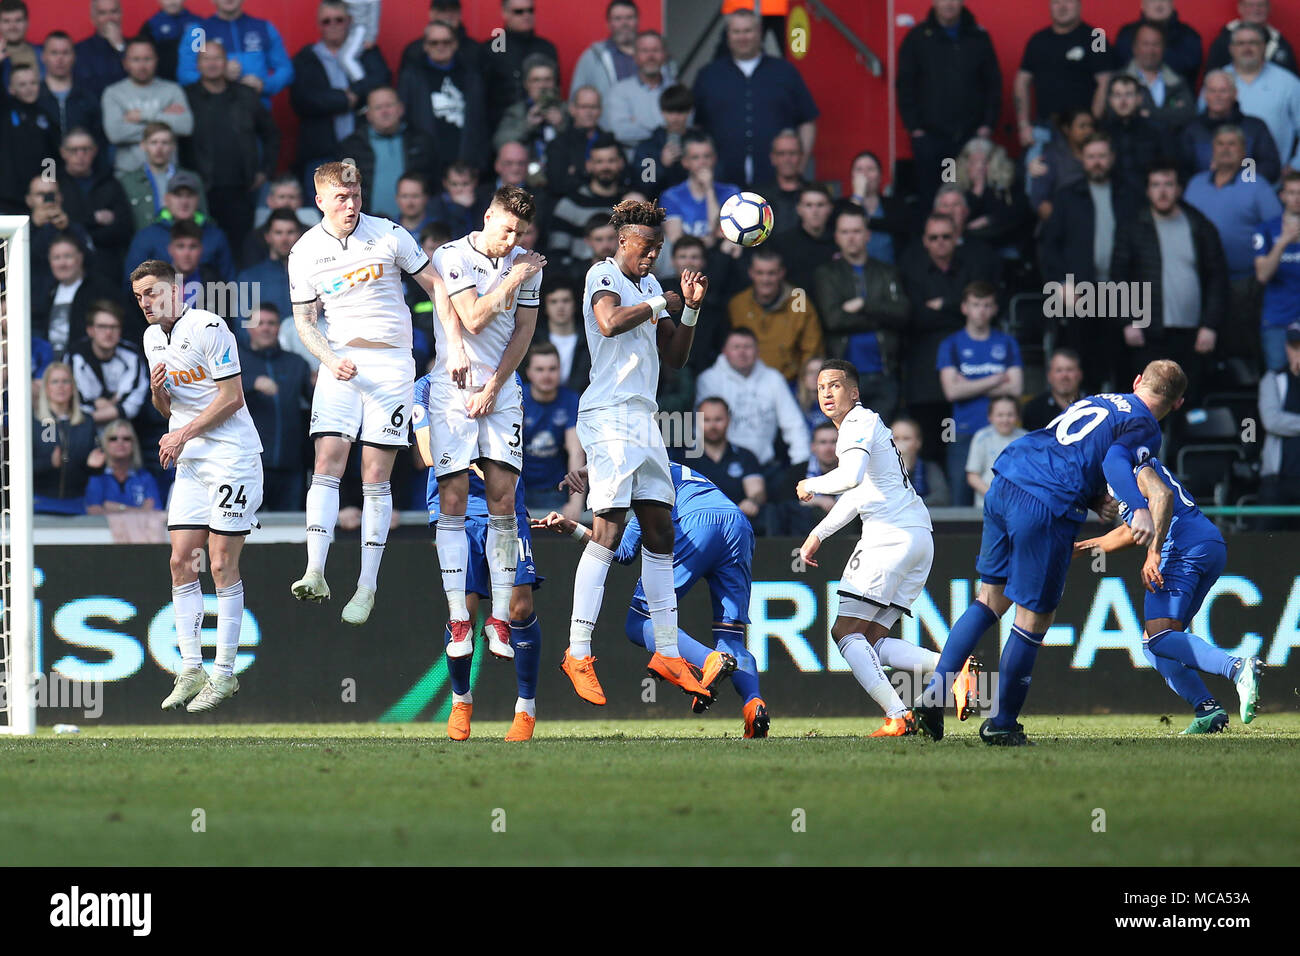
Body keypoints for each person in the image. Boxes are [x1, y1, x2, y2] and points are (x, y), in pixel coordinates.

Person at [915, 360, 1188, 746]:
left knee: (990, 598)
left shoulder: (1101, 400)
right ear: (1177, 404)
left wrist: (1094, 497)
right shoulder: (1146, 424)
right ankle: (1002, 723)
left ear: (1138, 380)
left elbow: (1066, 446)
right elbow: (1114, 461)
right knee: (1034, 616)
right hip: (1045, 504)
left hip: (1007, 481)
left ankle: (933, 695)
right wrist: (1137, 506)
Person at [561, 198, 712, 705]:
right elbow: (607, 322)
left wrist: (687, 307)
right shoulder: (602, 275)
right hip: (607, 415)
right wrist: (660, 303)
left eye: (658, 249)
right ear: (623, 241)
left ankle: (668, 650)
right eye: (645, 248)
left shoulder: (649, 287)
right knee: (607, 526)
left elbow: (675, 357)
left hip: (644, 418)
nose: (651, 257)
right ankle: (578, 650)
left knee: (660, 529)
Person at [287, 161, 450, 625]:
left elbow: (434, 285)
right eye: (341, 198)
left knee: (375, 474)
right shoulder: (303, 252)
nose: (351, 205)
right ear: (320, 200)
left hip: (392, 363)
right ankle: (315, 569)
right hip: (340, 362)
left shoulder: (389, 234)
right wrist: (328, 358)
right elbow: (304, 320)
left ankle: (367, 586)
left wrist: (448, 346)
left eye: (356, 195)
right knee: (326, 462)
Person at [796, 359, 968, 736]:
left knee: (843, 633)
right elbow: (860, 493)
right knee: (872, 640)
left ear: (853, 392)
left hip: (889, 536)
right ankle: (953, 666)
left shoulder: (856, 423)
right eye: (821, 386)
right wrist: (819, 535)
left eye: (836, 385)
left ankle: (898, 714)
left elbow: (849, 478)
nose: (826, 392)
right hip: (918, 536)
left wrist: (812, 484)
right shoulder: (868, 426)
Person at [536, 460, 769, 737]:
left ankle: (711, 661)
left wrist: (585, 478)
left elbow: (618, 550)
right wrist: (575, 523)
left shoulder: (643, 487)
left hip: (694, 521)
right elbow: (623, 549)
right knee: (731, 636)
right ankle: (754, 704)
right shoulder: (660, 464)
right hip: (736, 522)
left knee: (639, 622)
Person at [133, 257, 264, 714]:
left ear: (176, 289)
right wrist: (158, 394)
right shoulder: (153, 338)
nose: (145, 303)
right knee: (180, 561)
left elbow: (232, 397)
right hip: (192, 460)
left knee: (221, 561)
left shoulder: (209, 327)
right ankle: (191, 667)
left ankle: (224, 674)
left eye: (151, 292)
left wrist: (180, 434)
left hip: (232, 457)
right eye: (138, 297)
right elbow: (166, 409)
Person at [427, 186, 545, 660]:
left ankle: (497, 620)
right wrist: (516, 275)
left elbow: (525, 330)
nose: (510, 238)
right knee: (453, 499)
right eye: (505, 228)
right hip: (452, 388)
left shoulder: (525, 263)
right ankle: (460, 620)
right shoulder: (453, 255)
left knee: (503, 499)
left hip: (500, 389)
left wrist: (496, 386)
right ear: (488, 216)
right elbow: (473, 318)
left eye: (518, 233)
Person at [1075, 458, 1262, 733]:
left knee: (1159, 636)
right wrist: (1082, 547)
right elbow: (1131, 530)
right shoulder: (1122, 468)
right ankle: (1207, 710)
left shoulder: (1127, 463)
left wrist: (1154, 552)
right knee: (1154, 643)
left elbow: (1164, 496)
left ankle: (1237, 669)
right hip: (1207, 544)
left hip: (1182, 548)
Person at [414, 371, 544, 742]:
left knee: (519, 608)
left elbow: (509, 446)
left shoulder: (508, 378)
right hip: (458, 512)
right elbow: (427, 453)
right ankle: (461, 700)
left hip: (505, 507)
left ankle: (526, 708)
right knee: (465, 615)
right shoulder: (426, 387)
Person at [1111, 162, 1229, 406]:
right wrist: (1127, 322)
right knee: (1146, 402)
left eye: (1168, 184)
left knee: (1188, 401)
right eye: (1156, 185)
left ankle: (1180, 445)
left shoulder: (1199, 225)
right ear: (1147, 190)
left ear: (1179, 189)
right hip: (1147, 332)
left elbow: (1218, 277)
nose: (1162, 191)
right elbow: (1118, 277)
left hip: (1192, 333)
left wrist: (1210, 325)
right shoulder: (1132, 227)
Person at [1037, 132, 1128, 391]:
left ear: (1111, 158)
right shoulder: (1066, 196)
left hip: (1123, 291)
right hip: (1079, 290)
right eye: (1091, 157)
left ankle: (1121, 426)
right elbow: (1049, 247)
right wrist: (1060, 284)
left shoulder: (1129, 194)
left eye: (1101, 156)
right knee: (1083, 363)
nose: (1097, 162)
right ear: (1082, 160)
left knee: (1121, 362)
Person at [1184, 125, 1282, 362]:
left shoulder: (1258, 185)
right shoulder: (1195, 184)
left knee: (1243, 342)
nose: (1225, 149)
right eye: (1220, 143)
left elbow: (1276, 229)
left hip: (1245, 282)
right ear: (1212, 150)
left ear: (1244, 151)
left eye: (1232, 144)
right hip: (1200, 282)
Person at [691, 8, 817, 187]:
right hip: (721, 180)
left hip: (776, 182)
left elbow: (807, 120)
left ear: (759, 32)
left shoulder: (785, 72)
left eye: (748, 31)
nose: (742, 37)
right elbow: (696, 126)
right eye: (737, 31)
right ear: (728, 35)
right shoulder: (708, 75)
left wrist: (800, 165)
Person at [898, 212, 989, 456]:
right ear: (925, 241)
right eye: (933, 237)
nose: (940, 242)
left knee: (969, 450)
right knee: (929, 447)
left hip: (967, 371)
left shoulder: (972, 267)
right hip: (924, 376)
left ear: (956, 237)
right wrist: (957, 308)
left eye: (946, 237)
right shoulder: (911, 270)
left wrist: (942, 305)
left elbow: (982, 310)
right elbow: (913, 317)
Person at [895, 0, 1001, 209]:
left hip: (970, 139)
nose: (949, 4)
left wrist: (987, 125)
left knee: (969, 197)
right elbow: (905, 85)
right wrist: (915, 128)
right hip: (933, 139)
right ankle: (935, 240)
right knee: (937, 198)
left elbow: (993, 85)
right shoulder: (917, 38)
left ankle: (966, 241)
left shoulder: (978, 38)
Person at [183, 38, 280, 253]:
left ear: (227, 62)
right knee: (203, 248)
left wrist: (265, 171)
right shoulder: (186, 97)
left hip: (242, 189)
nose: (212, 63)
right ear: (198, 64)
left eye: (217, 58)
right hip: (201, 190)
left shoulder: (246, 95)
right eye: (205, 59)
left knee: (241, 248)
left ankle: (237, 288)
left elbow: (271, 134)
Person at [815, 205, 909, 421]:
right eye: (845, 232)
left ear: (868, 235)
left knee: (881, 444)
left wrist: (863, 305)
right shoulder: (826, 273)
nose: (851, 238)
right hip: (843, 379)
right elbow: (834, 320)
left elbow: (902, 314)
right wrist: (881, 316)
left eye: (857, 231)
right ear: (836, 237)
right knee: (851, 445)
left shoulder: (888, 271)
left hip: (885, 372)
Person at [937, 281, 1023, 508]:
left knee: (1003, 498)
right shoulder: (951, 344)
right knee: (960, 499)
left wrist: (970, 384)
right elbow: (951, 391)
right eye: (976, 305)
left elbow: (1015, 388)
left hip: (1002, 432)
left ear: (994, 309)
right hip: (962, 431)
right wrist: (996, 378)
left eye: (987, 305)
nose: (981, 311)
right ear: (965, 307)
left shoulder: (1006, 342)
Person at [289, 0, 390, 190]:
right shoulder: (306, 58)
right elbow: (303, 100)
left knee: (357, 210)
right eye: (327, 21)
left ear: (349, 21)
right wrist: (343, 100)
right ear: (319, 25)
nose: (333, 25)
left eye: (339, 20)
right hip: (321, 153)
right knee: (323, 212)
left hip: (359, 152)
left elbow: (382, 80)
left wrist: (354, 93)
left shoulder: (366, 52)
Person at [1014, 0, 1115, 170]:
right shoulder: (1038, 40)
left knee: (1079, 181)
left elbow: (1105, 81)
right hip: (1044, 128)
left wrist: (1093, 124)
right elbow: (1021, 81)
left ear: (1079, 5)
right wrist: (1023, 125)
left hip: (1081, 131)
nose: (1062, 7)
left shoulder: (1096, 37)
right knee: (1036, 179)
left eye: (1068, 2)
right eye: (1056, 2)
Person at [696, 326, 810, 471]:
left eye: (748, 347)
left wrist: (800, 465)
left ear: (757, 351)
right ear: (725, 351)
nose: (742, 352)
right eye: (736, 347)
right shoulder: (709, 379)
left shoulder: (773, 378)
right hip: (721, 466)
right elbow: (700, 425)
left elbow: (793, 424)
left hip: (765, 467)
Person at [395, 18, 488, 184]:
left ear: (455, 44)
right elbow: (404, 118)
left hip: (466, 164)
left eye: (446, 41)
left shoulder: (471, 74)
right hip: (426, 166)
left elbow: (481, 119)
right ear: (425, 46)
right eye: (434, 42)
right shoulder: (412, 76)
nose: (440, 46)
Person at [239, 304, 312, 511]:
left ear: (279, 328)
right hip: (249, 466)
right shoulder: (236, 361)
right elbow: (214, 390)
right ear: (248, 328)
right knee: (245, 530)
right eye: (259, 323)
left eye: (271, 323)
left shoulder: (296, 363)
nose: (266, 328)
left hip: (291, 466)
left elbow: (315, 400)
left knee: (290, 533)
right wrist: (251, 383)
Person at [336, 87, 437, 219]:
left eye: (389, 105)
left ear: (401, 109)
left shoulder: (422, 141)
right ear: (368, 114)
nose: (384, 112)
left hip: (418, 226)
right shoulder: (352, 146)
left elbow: (435, 184)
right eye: (378, 107)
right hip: (367, 226)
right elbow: (345, 188)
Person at [727, 247, 822, 382]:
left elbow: (812, 350)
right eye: (760, 273)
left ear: (781, 273)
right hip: (743, 380)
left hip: (790, 382)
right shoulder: (737, 304)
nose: (765, 279)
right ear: (751, 273)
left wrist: (804, 384)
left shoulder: (799, 300)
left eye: (771, 273)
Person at [176, 0, 294, 108]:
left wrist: (265, 85)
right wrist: (217, 75)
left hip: (257, 112)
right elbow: (185, 74)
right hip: (213, 112)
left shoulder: (264, 28)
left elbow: (286, 69)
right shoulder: (198, 32)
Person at [122, 171, 236, 283]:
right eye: (178, 195)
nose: (184, 201)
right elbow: (132, 284)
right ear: (166, 199)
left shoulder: (215, 236)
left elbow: (230, 282)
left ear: (198, 199)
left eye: (189, 195)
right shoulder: (146, 237)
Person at [101, 35, 193, 174]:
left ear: (156, 60)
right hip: (128, 174)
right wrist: (164, 124)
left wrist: (143, 115)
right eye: (136, 60)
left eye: (147, 59)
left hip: (169, 173)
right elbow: (115, 134)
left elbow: (185, 126)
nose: (142, 66)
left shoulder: (172, 90)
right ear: (125, 63)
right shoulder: (113, 93)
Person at [1218, 22, 1300, 175]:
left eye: (1253, 43)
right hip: (1224, 181)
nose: (1247, 48)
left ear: (1264, 47)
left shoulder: (1288, 83)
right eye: (1241, 43)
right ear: (1231, 48)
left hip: (1274, 180)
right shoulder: (1217, 80)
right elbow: (1202, 125)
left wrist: (1296, 166)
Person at [55, 129, 133, 282]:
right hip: (64, 267)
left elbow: (124, 227)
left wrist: (83, 231)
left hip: (106, 267)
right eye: (73, 150)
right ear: (63, 153)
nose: (80, 155)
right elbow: (56, 225)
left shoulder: (110, 183)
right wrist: (94, 219)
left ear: (95, 151)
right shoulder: (55, 184)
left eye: (85, 149)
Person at [1182, 70, 1281, 186]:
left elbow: (1270, 166)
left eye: (1223, 91)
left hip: (1246, 195)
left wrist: (1237, 178)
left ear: (1235, 93)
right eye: (1212, 91)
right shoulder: (1192, 130)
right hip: (1202, 197)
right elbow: (1183, 170)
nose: (1217, 96)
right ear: (1205, 95)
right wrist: (1210, 181)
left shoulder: (1255, 127)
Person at [675, 397, 765, 523]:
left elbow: (756, 492)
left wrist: (751, 502)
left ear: (728, 420)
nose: (713, 426)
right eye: (706, 420)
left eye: (718, 419)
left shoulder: (745, 456)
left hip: (736, 523)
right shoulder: (682, 458)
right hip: (695, 524)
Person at [521, 342, 584, 519]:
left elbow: (576, 452)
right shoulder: (518, 398)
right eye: (540, 369)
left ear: (560, 370)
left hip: (556, 491)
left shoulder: (571, 400)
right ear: (529, 373)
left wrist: (575, 502)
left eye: (552, 369)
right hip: (519, 491)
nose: (546, 375)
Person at [32, 361, 103, 515]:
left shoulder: (86, 422)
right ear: (46, 388)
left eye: (66, 381)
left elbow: (96, 468)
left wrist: (94, 466)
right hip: (40, 503)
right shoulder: (39, 422)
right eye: (55, 382)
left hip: (77, 503)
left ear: (73, 387)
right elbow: (23, 466)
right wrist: (50, 463)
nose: (61, 386)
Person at [33, 234, 123, 355]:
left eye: (67, 256)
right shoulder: (47, 293)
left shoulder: (101, 289)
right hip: (51, 367)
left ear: (80, 258)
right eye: (56, 258)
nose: (62, 263)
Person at [547, 135, 626, 270]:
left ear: (621, 163)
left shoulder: (628, 203)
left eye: (611, 161)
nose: (605, 167)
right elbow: (558, 254)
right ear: (589, 165)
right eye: (599, 161)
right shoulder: (570, 204)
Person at [482, 0, 559, 130]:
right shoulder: (492, 49)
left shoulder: (546, 48)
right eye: (519, 11)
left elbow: (556, 90)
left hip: (544, 123)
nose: (526, 15)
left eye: (530, 10)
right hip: (504, 128)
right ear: (504, 13)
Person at [116, 122, 207, 233]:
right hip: (145, 244)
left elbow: (203, 217)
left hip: (183, 242)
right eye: (154, 143)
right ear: (143, 146)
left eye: (165, 143)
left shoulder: (192, 179)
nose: (159, 148)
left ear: (173, 146)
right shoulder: (128, 181)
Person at [68, 299, 148, 425]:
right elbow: (75, 402)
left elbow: (132, 405)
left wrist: (98, 409)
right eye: (102, 326)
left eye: (114, 327)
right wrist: (113, 404)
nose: (108, 332)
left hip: (123, 426)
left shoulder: (132, 355)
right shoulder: (75, 356)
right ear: (90, 330)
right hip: (82, 427)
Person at [661, 130, 740, 247]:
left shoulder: (731, 193)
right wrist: (708, 240)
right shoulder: (671, 196)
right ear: (685, 162)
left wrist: (709, 189)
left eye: (707, 156)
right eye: (695, 158)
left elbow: (719, 232)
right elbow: (677, 241)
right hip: (687, 261)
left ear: (714, 159)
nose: (702, 162)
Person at [1254, 172, 1300, 371]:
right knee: (1278, 375)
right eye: (1291, 192)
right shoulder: (1265, 229)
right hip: (1277, 319)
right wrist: (1283, 242)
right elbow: (1263, 275)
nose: (1296, 198)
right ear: (1282, 195)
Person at [954, 137, 1030, 256]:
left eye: (984, 162)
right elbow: (957, 217)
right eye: (974, 162)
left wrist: (989, 219)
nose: (979, 167)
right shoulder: (960, 185)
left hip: (1001, 239)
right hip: (970, 243)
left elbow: (1018, 211)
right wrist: (977, 191)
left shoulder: (1008, 183)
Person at [602, 30, 675, 151]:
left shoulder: (676, 89)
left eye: (656, 50)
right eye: (645, 51)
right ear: (635, 57)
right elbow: (620, 132)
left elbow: (684, 127)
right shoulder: (619, 91)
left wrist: (639, 123)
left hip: (670, 161)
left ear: (665, 55)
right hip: (634, 162)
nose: (650, 56)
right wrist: (663, 129)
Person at [1257, 321, 1300, 525]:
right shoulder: (1273, 379)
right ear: (1287, 348)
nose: (1298, 352)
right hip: (1278, 480)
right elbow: (1272, 421)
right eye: (1294, 346)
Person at [1122, 21, 1196, 133]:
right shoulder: (1119, 81)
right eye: (1145, 44)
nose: (1150, 50)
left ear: (1164, 48)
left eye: (1156, 44)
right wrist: (1167, 114)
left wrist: (1149, 113)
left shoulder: (1177, 81)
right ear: (1134, 47)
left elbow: (1187, 114)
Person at [1101, 74, 1165, 201]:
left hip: (1148, 200)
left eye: (1128, 94)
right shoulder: (1101, 132)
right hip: (1110, 198)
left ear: (1139, 99)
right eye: (1117, 95)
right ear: (1110, 100)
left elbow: (1168, 168)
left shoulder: (1158, 131)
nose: (1123, 101)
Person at [1114, 0, 1203, 91]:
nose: (1159, 5)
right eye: (1153, 1)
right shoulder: (1127, 34)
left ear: (1173, 4)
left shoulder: (1189, 35)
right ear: (1142, 5)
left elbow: (1188, 70)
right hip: (1132, 97)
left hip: (1177, 97)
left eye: (1164, 1)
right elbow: (1121, 69)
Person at [1027, 108, 1095, 222]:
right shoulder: (1052, 157)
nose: (1088, 131)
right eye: (1082, 126)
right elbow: (1040, 201)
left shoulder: (1100, 154)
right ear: (1067, 129)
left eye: (1091, 126)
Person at [235, 208, 302, 324]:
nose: (284, 239)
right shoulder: (248, 278)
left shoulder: (313, 274)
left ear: (300, 235)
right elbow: (242, 327)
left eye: (290, 232)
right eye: (278, 233)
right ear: (268, 237)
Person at [38, 30, 104, 146]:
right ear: (43, 57)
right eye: (54, 53)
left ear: (74, 56)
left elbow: (99, 140)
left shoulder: (89, 96)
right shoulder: (34, 97)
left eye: (65, 53)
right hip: (45, 163)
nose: (60, 59)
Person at [771, 184, 835, 300]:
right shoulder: (783, 243)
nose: (815, 211)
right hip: (795, 310)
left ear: (830, 208)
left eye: (820, 205)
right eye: (808, 205)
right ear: (799, 209)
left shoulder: (838, 242)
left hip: (830, 310)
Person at [84, 418, 161, 513]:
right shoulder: (96, 477)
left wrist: (117, 508)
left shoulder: (145, 477)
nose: (120, 442)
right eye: (113, 439)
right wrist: (140, 511)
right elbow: (93, 510)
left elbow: (155, 512)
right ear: (104, 444)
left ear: (134, 444)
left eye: (126, 439)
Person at [845, 150, 910, 263]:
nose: (864, 174)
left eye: (870, 169)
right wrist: (858, 197)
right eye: (859, 169)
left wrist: (869, 222)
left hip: (889, 273)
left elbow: (899, 228)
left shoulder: (895, 205)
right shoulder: (842, 206)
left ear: (880, 176)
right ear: (852, 177)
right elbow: (849, 224)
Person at [543, 86, 606, 200]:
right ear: (572, 109)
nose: (589, 112)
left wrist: (575, 171)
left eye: (594, 107)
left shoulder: (609, 141)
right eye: (583, 107)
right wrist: (584, 170)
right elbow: (556, 185)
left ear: (601, 110)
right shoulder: (558, 145)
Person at [570, 0, 640, 100]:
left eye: (629, 18)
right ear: (608, 24)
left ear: (638, 21)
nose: (624, 23)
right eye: (618, 19)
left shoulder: (653, 55)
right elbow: (576, 100)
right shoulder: (592, 57)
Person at [965, 395, 1027, 508]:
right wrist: (993, 495)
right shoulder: (981, 438)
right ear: (990, 417)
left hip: (1019, 506)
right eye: (1000, 415)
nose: (1005, 419)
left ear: (1018, 417)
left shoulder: (1026, 438)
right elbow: (972, 476)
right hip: (987, 505)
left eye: (1010, 415)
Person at [631, 83, 691, 200]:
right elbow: (644, 186)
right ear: (662, 112)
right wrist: (662, 164)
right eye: (670, 111)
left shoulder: (700, 141)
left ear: (689, 112)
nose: (675, 118)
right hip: (658, 206)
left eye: (680, 112)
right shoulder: (648, 147)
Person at [1206, 0, 1296, 77]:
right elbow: (1211, 77)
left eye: (1261, 5)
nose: (1256, 9)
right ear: (1240, 8)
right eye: (1250, 5)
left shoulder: (1281, 43)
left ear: (1269, 8)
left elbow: (1292, 80)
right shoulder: (1224, 41)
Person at [532, 279, 590, 393]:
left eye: (566, 300)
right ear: (545, 306)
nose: (560, 307)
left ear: (575, 304)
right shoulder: (532, 340)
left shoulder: (589, 340)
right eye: (553, 301)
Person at [73, 0, 126, 102]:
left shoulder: (134, 47)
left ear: (121, 15)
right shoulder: (80, 50)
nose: (109, 18)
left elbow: (139, 80)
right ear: (93, 19)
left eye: (114, 12)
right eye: (102, 13)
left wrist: (120, 47)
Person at [1021, 347, 1085, 431]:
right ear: (1049, 376)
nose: (1064, 376)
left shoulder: (1096, 405)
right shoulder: (1034, 409)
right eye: (1059, 370)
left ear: (1079, 374)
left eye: (1069, 370)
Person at [892, 416, 949, 507]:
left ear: (918, 442)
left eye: (906, 439)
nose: (900, 444)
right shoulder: (879, 470)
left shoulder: (930, 469)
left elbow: (942, 498)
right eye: (896, 438)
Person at [138, 0, 196, 82]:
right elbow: (144, 56)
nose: (172, 2)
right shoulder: (151, 25)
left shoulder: (197, 22)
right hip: (162, 81)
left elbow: (204, 54)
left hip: (193, 82)